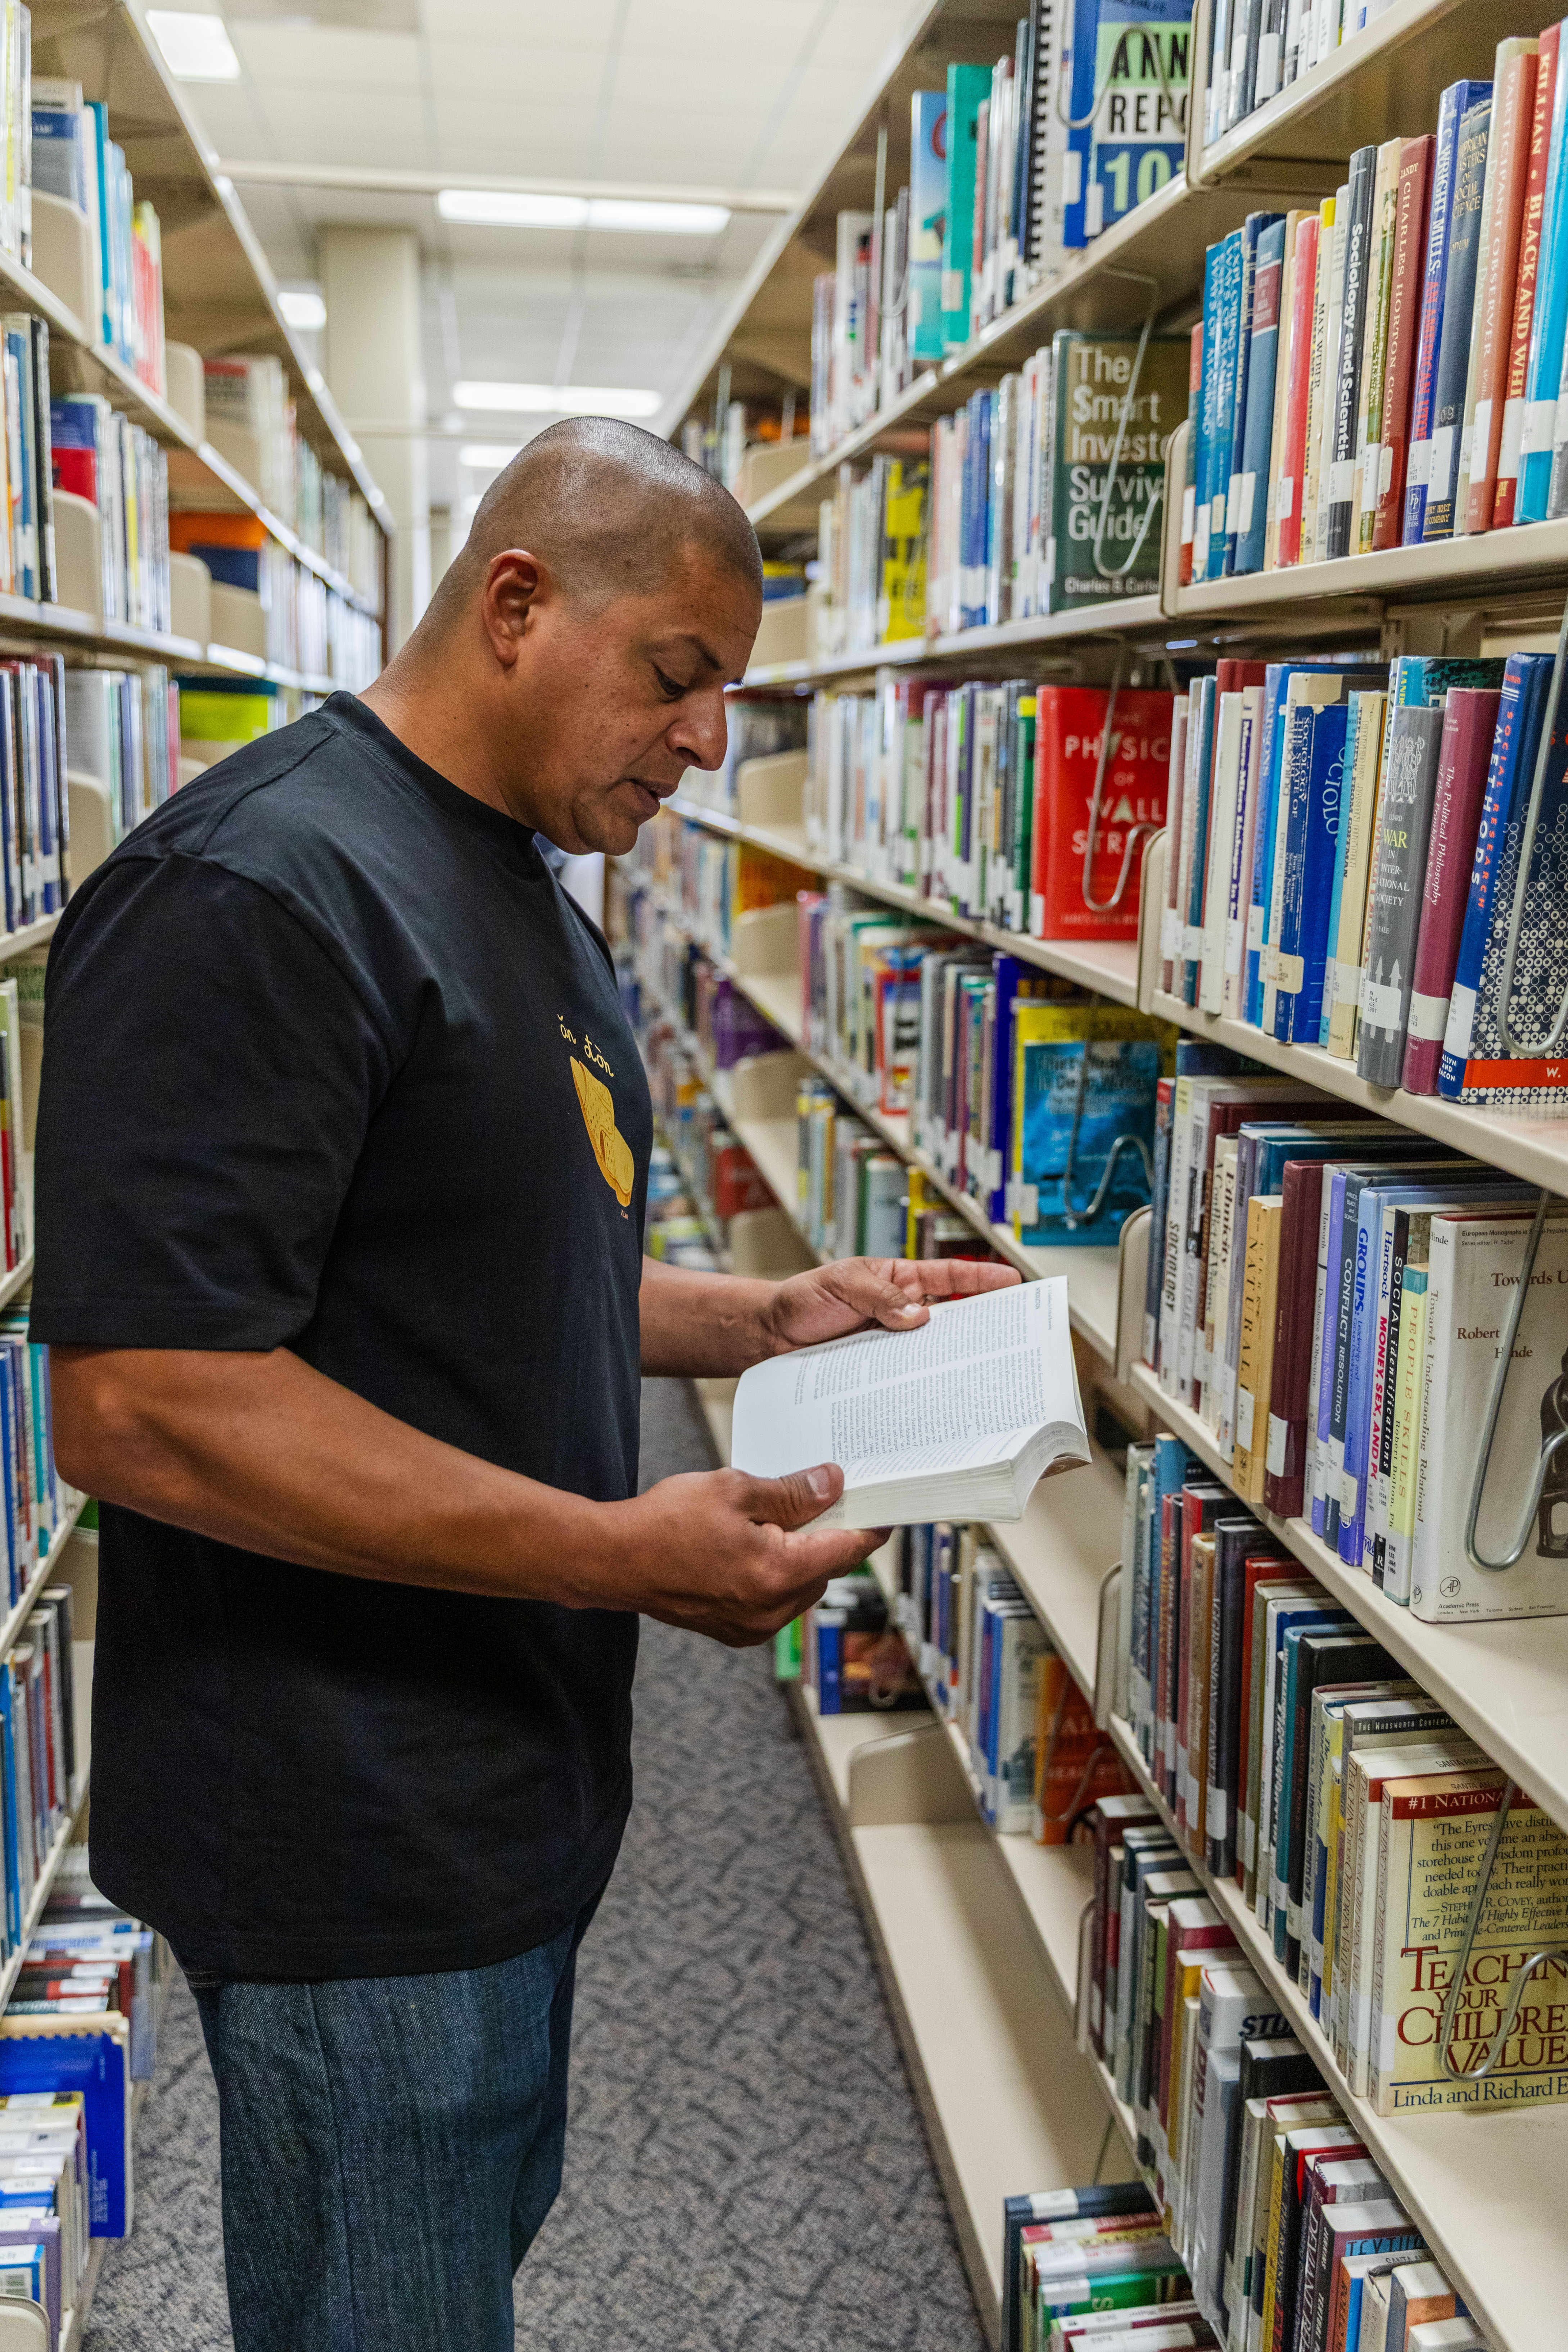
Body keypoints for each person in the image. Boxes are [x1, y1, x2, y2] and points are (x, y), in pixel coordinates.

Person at [31, 417, 1017, 2352]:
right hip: (349, 1838)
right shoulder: (260, 892)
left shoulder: (510, 872)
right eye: (676, 674)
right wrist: (612, 1550)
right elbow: (142, 1399)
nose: (706, 739)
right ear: (514, 604)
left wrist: (762, 1317)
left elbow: (478, 1253)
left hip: (499, 1793)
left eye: (728, 694)